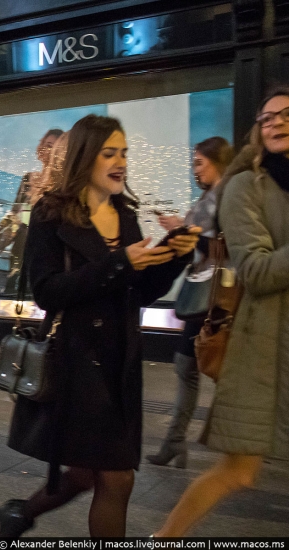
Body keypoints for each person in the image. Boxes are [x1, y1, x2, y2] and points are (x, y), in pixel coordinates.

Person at [0, 114, 199, 538]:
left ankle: (20, 514)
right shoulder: (50, 214)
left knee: (87, 473)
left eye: (124, 152)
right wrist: (119, 262)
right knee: (117, 477)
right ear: (86, 158)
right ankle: (22, 514)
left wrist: (175, 256)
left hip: (121, 361)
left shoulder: (125, 215)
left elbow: (138, 292)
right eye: (110, 153)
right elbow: (46, 292)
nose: (121, 161)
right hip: (75, 363)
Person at [154, 89, 289, 536]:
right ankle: (165, 538)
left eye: (286, 115)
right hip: (261, 339)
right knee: (239, 468)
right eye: (267, 117)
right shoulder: (244, 186)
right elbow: (252, 268)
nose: (276, 123)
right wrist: (184, 237)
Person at [146, 136, 234, 468]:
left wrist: (188, 232)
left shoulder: (229, 197)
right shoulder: (210, 198)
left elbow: (232, 249)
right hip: (202, 292)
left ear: (218, 162)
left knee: (210, 368)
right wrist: (181, 230)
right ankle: (175, 443)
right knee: (188, 366)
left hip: (219, 297)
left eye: (199, 163)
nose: (194, 170)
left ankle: (240, 444)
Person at [0, 129, 64, 292]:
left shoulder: (64, 188)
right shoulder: (30, 180)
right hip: (20, 259)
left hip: (51, 263)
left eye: (55, 147)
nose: (50, 151)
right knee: (13, 304)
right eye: (47, 145)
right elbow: (15, 221)